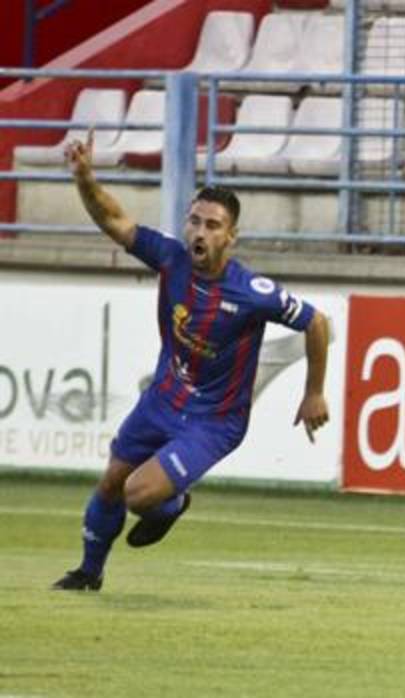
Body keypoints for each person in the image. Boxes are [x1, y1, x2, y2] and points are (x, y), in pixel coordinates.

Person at [51, 130, 331, 592]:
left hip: (213, 421)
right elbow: (116, 221)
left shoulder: (252, 293)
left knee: (138, 494)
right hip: (163, 397)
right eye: (195, 221)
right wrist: (84, 178)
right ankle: (88, 573)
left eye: (213, 225)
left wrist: (314, 391)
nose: (200, 232)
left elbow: (316, 323)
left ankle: (172, 504)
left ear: (232, 237)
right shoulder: (171, 259)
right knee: (110, 484)